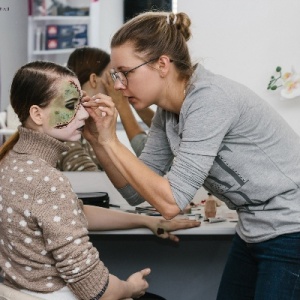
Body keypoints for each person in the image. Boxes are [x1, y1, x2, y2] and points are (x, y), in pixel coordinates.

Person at [81, 11, 300, 300]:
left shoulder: (209, 100)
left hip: (291, 228)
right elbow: (135, 193)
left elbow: (170, 203)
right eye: (115, 76)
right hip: (254, 229)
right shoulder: (168, 113)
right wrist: (99, 141)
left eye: (125, 73)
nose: (119, 86)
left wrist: (112, 141)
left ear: (162, 64)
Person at [0, 61, 200, 300]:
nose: (84, 113)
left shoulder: (11, 163)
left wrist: (145, 220)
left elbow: (69, 213)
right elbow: (93, 287)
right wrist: (130, 287)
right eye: (72, 106)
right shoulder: (46, 181)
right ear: (36, 114)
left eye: (83, 104)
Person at [57, 47, 154, 171]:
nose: (120, 84)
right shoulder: (68, 126)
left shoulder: (95, 126)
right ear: (93, 80)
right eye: (113, 76)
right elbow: (87, 175)